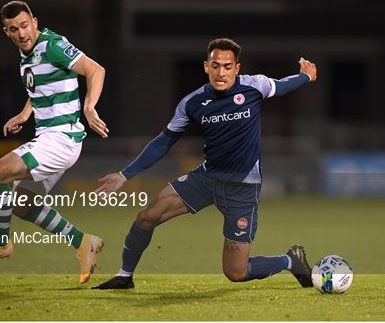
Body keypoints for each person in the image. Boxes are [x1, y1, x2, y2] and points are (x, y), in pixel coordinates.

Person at [92, 38, 317, 289]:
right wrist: (125, 175)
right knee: (147, 216)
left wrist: (305, 76)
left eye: (227, 66)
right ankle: (124, 276)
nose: (221, 72)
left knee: (236, 272)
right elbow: (163, 142)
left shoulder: (255, 86)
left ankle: (290, 261)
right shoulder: (192, 103)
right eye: (216, 65)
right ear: (206, 67)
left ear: (237, 68)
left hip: (242, 188)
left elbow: (282, 85)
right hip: (206, 179)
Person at [0, 0, 108, 284]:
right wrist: (25, 113)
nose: (21, 33)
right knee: (17, 203)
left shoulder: (52, 45)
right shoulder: (27, 56)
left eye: (25, 25)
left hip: (61, 139)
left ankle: (1, 244)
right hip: (50, 139)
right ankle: (83, 242)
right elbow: (41, 87)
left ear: (35, 22)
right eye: (13, 29)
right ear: (7, 32)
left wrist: (89, 107)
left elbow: (95, 70)